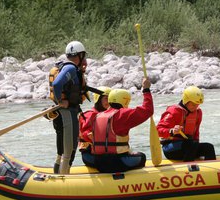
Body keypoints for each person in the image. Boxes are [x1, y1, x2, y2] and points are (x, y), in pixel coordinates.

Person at [88, 78, 154, 173]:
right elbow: (148, 110)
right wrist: (146, 90)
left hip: (98, 162)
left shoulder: (97, 116)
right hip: (117, 162)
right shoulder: (122, 114)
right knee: (141, 156)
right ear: (125, 101)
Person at [50, 40, 87, 174]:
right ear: (80, 55)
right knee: (69, 147)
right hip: (67, 112)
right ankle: (63, 177)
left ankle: (59, 172)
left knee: (63, 148)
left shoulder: (68, 67)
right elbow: (57, 85)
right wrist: (61, 101)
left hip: (62, 112)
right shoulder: (70, 68)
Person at [157, 86, 216, 161]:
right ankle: (189, 169)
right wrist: (172, 131)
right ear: (186, 100)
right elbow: (158, 131)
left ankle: (210, 171)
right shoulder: (174, 111)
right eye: (193, 104)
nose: (196, 107)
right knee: (191, 144)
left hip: (190, 146)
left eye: (197, 104)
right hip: (171, 148)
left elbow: (196, 133)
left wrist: (196, 145)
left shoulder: (198, 113)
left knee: (208, 147)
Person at [78, 86, 111, 168]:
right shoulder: (90, 115)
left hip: (103, 154)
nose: (109, 102)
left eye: (110, 99)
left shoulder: (108, 115)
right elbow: (86, 134)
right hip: (89, 155)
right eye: (106, 99)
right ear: (98, 100)